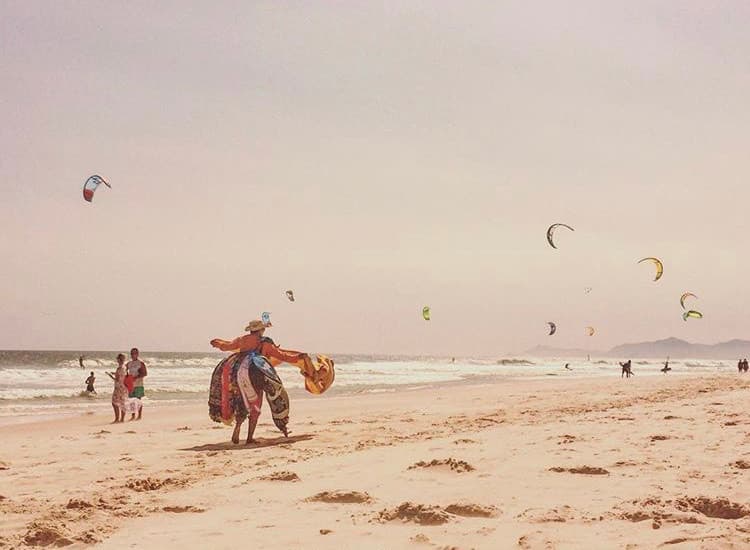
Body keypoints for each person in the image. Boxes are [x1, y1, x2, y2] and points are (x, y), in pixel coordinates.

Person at [209, 319, 335, 445]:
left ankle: (237, 428)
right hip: (255, 370)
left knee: (241, 399)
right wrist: (299, 357)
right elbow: (281, 355)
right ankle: (250, 437)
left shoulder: (242, 339)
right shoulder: (265, 343)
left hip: (238, 369)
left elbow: (227, 346)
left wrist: (217, 343)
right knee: (257, 403)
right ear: (261, 330)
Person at [125, 348, 147, 420]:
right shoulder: (129, 363)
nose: (133, 355)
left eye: (134, 353)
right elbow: (124, 370)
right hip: (131, 384)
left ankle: (139, 415)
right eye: (132, 353)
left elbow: (145, 373)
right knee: (131, 401)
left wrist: (136, 377)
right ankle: (133, 415)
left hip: (139, 384)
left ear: (137, 354)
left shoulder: (141, 363)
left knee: (138, 400)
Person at [106, 354, 128, 423]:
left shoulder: (119, 368)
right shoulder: (124, 367)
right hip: (124, 387)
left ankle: (117, 419)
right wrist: (114, 373)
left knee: (114, 403)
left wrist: (110, 376)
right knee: (122, 403)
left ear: (119, 359)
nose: (117, 360)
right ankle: (122, 419)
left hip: (118, 387)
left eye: (117, 359)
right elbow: (122, 375)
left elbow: (117, 379)